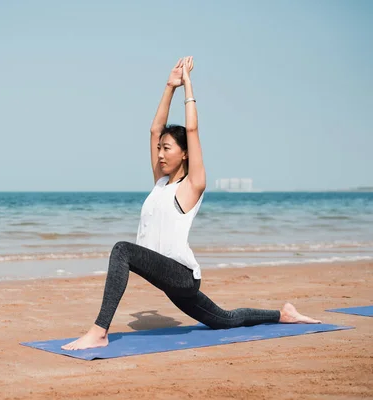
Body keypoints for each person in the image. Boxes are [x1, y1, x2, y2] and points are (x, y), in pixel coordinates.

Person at [62, 56, 321, 351]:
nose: (160, 154)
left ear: (184, 154)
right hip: (166, 276)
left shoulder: (191, 186)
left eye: (167, 148)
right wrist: (169, 86)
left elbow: (194, 131)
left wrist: (187, 86)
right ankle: (283, 314)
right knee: (223, 319)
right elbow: (154, 130)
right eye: (159, 149)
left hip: (181, 276)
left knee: (122, 250)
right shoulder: (161, 183)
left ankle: (99, 331)